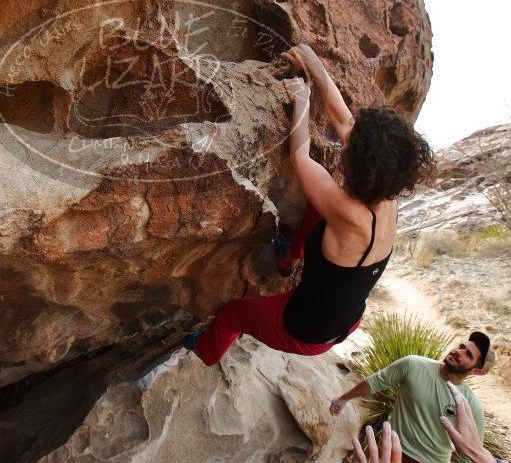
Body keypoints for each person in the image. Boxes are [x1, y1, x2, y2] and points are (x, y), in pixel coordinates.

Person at [183, 43, 436, 365]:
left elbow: (299, 156)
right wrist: (312, 62)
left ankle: (203, 349)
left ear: (362, 162)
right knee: (319, 203)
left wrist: (301, 102)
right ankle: (289, 259)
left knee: (231, 314)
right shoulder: (388, 198)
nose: (346, 142)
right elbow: (345, 123)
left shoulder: (350, 215)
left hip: (305, 331)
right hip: (344, 315)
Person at [330, 332, 497, 463]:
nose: (458, 351)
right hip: (391, 451)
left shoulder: (471, 406)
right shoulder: (414, 365)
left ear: (476, 371)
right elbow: (377, 382)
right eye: (461, 346)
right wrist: (343, 399)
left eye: (468, 354)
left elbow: (472, 452)